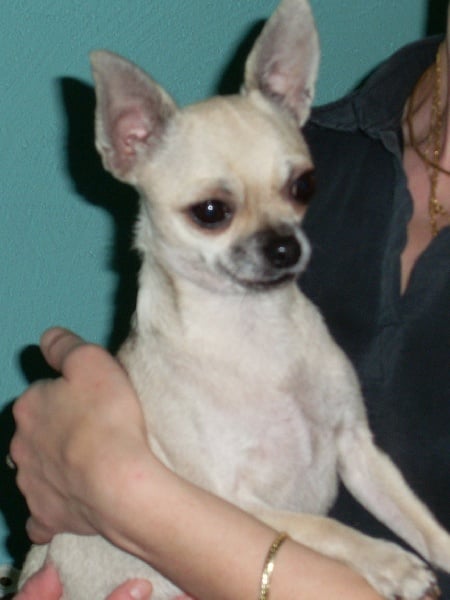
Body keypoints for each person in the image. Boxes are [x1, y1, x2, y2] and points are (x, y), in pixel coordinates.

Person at [9, 7, 450, 600]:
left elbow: (351, 453)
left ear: (296, 97)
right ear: (127, 145)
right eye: (213, 212)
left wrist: (117, 485)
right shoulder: (345, 138)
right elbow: (232, 508)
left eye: (296, 189)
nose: (278, 237)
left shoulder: (307, 333)